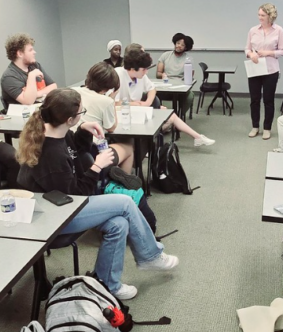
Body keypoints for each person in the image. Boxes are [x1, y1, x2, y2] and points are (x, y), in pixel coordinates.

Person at [16, 88, 179, 301]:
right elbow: (76, 195)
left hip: (64, 205)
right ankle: (150, 256)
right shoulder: (51, 154)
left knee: (118, 224)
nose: (83, 115)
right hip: (54, 217)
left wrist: (83, 129)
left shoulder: (57, 133)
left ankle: (108, 284)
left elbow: (74, 151)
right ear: (68, 119)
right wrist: (96, 167)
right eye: (81, 114)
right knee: (125, 202)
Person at [116, 49, 215, 148]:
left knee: (170, 115)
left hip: (136, 110)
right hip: (121, 114)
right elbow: (111, 103)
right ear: (133, 69)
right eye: (144, 69)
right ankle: (144, 144)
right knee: (160, 118)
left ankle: (198, 137)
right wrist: (133, 104)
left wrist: (148, 102)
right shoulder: (117, 75)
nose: (146, 72)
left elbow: (152, 89)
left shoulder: (140, 75)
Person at [76, 61, 135, 173]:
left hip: (72, 150)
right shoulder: (106, 101)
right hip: (93, 153)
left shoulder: (74, 92)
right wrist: (111, 100)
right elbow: (111, 127)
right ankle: (121, 187)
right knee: (129, 148)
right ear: (108, 88)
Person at [245, 2, 283, 140]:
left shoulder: (279, 30)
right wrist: (250, 54)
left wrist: (268, 52)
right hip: (255, 69)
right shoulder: (253, 30)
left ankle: (267, 128)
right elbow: (247, 48)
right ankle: (255, 126)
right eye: (258, 14)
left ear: (270, 16)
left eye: (262, 15)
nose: (260, 17)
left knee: (268, 100)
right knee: (254, 100)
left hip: (271, 71)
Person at [0, 33, 58, 109]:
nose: (34, 52)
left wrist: (36, 94)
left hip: (41, 109)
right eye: (30, 50)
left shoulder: (35, 65)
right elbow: (28, 101)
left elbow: (53, 86)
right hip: (23, 116)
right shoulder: (9, 77)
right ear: (20, 54)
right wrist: (32, 76)